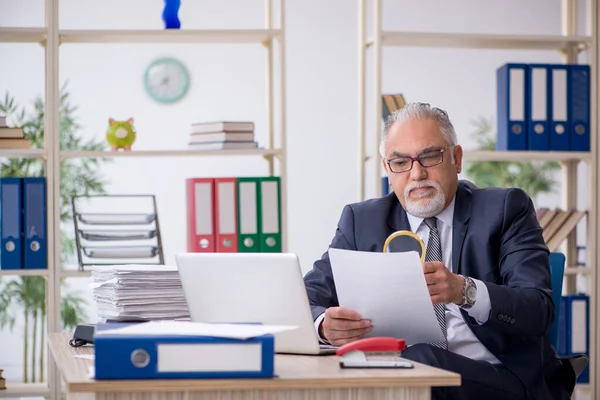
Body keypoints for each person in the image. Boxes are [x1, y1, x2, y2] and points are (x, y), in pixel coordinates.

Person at [303, 102, 575, 400]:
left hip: (500, 376)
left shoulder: (506, 209)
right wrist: (324, 326)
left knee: (420, 360)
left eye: (430, 156)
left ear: (456, 159)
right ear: (387, 170)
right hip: (391, 373)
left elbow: (538, 310)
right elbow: (307, 296)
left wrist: (464, 290)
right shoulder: (361, 221)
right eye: (400, 162)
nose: (416, 174)